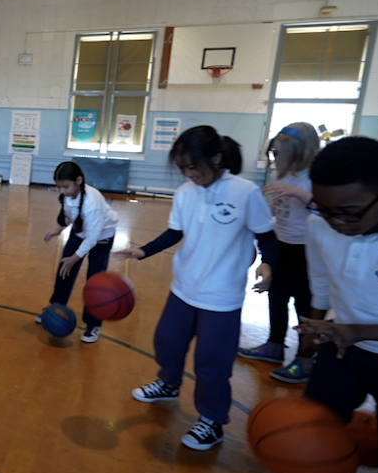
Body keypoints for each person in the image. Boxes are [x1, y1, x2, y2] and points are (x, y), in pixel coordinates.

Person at [113, 125, 278, 451]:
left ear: (216, 158)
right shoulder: (186, 193)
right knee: (167, 341)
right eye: (183, 168)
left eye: (194, 166)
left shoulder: (245, 192)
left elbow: (267, 236)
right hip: (184, 287)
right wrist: (143, 250)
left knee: (211, 364)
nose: (189, 174)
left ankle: (213, 421)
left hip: (222, 296)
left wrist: (267, 263)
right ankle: (169, 384)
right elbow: (175, 232)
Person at [295, 137, 378, 473]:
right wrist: (312, 331)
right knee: (314, 426)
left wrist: (357, 332)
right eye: (323, 207)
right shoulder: (318, 225)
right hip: (341, 347)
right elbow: (321, 281)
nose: (336, 221)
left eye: (349, 211)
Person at [238, 123, 319, 383]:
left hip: (307, 249)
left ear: (299, 152)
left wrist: (297, 193)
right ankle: (274, 345)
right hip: (282, 243)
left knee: (305, 304)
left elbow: (327, 209)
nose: (275, 157)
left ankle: (306, 358)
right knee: (276, 296)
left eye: (280, 153)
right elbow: (279, 210)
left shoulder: (314, 176)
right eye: (274, 152)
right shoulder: (279, 174)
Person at [37, 161, 119, 343]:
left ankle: (93, 325)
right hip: (80, 231)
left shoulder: (93, 202)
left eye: (66, 186)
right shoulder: (68, 195)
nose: (62, 191)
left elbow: (92, 238)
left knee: (95, 281)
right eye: (59, 187)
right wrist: (57, 230)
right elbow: (68, 215)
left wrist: (74, 258)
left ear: (79, 181)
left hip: (101, 237)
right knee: (64, 270)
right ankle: (55, 310)